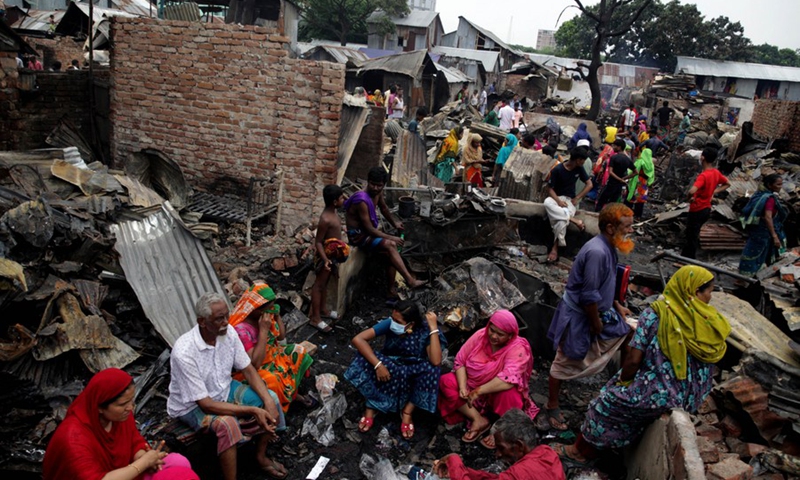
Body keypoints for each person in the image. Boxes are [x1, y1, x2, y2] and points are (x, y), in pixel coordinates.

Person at [554, 266, 730, 464]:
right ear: (695, 292)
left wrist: (623, 382)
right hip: (690, 397)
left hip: (661, 392)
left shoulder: (656, 314)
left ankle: (580, 452)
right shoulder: (711, 321)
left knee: (603, 404)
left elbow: (633, 361)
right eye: (709, 291)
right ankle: (611, 445)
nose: (710, 297)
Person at [168, 293, 287, 480]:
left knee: (270, 398)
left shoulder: (228, 332)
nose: (225, 322)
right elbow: (206, 404)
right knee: (227, 424)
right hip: (191, 406)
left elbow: (247, 368)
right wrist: (252, 410)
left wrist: (266, 401)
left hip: (224, 389)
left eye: (226, 315)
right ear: (202, 321)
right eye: (219, 319)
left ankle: (260, 457)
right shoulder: (184, 352)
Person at [544, 203, 635, 431]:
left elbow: (606, 284)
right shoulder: (597, 251)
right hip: (582, 315)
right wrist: (596, 323)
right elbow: (588, 294)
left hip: (597, 311)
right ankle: (552, 404)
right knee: (563, 360)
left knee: (630, 333)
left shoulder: (609, 248)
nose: (631, 231)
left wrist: (616, 305)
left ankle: (620, 389)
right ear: (611, 228)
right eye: (627, 227)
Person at [43, 368, 197, 480]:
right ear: (100, 407)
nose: (130, 408)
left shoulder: (120, 417)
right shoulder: (74, 438)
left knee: (178, 461)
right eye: (123, 404)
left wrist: (148, 457)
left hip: (125, 471)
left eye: (131, 401)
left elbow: (134, 442)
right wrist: (143, 463)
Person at [439, 310, 539, 448]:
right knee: (446, 381)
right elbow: (460, 362)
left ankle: (500, 428)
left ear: (510, 335)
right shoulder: (480, 336)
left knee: (510, 395)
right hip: (472, 386)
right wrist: (462, 386)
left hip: (494, 391)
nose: (493, 336)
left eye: (500, 334)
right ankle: (478, 419)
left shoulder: (518, 348)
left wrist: (478, 391)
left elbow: (508, 380)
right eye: (492, 330)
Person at [345, 300, 445, 438]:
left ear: (411, 324)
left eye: (397, 320)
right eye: (392, 318)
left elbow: (436, 360)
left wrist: (433, 328)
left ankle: (407, 412)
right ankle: (372, 405)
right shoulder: (390, 324)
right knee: (364, 356)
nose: (393, 322)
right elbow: (358, 339)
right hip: (390, 365)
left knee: (432, 370)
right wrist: (378, 365)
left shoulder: (425, 330)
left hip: (413, 368)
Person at [229, 282, 314, 412]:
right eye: (269, 308)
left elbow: (281, 336)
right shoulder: (241, 330)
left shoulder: (266, 316)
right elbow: (254, 363)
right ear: (255, 309)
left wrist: (277, 316)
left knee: (299, 351)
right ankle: (281, 405)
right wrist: (263, 330)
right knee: (273, 379)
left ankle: (293, 394)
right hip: (253, 367)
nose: (272, 310)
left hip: (271, 355)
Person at [344, 167, 425, 291]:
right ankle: (410, 281)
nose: (375, 188)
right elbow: (370, 230)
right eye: (373, 184)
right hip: (359, 236)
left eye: (379, 185)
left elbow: (384, 208)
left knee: (390, 255)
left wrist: (395, 223)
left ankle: (391, 291)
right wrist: (392, 237)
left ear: (383, 185)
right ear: (368, 181)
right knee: (391, 245)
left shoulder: (377, 193)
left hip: (368, 233)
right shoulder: (361, 200)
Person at [433, 409, 565, 480]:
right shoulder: (546, 452)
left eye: (501, 448)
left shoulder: (520, 473)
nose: (497, 454)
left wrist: (454, 461)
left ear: (518, 445)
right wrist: (465, 472)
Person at [310, 184, 348, 332]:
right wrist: (325, 259)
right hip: (325, 257)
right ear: (334, 201)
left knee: (324, 284)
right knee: (319, 285)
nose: (343, 200)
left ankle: (324, 310)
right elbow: (318, 242)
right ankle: (315, 318)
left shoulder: (334, 214)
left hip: (332, 256)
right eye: (341, 198)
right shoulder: (325, 219)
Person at [544, 147, 593, 262]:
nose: (584, 163)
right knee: (547, 202)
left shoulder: (579, 169)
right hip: (556, 199)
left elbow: (589, 184)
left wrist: (577, 198)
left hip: (569, 201)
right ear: (578, 160)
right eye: (583, 160)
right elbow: (549, 189)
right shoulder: (558, 170)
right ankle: (572, 219)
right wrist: (558, 201)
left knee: (561, 222)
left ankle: (554, 249)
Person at [682, 147, 729, 259]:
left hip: (697, 209)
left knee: (691, 235)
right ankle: (685, 256)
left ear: (702, 158)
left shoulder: (703, 175)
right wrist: (713, 191)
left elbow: (692, 190)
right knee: (693, 233)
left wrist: (689, 198)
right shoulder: (716, 173)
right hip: (706, 208)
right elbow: (727, 183)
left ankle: (688, 259)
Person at [739, 174, 788, 276]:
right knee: (755, 253)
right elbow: (768, 217)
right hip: (763, 232)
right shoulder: (769, 198)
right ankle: (745, 278)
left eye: (781, 184)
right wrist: (774, 236)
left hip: (758, 230)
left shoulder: (759, 195)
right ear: (770, 185)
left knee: (756, 252)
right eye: (778, 184)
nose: (780, 187)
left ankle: (751, 276)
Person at [595, 139, 636, 212]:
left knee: (601, 200)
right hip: (619, 186)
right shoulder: (627, 159)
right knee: (612, 203)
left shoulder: (614, 158)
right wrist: (623, 178)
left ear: (619, 147)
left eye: (615, 146)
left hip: (611, 183)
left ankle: (597, 215)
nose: (613, 147)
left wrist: (619, 179)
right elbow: (635, 172)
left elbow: (610, 172)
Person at [626, 147, 655, 219]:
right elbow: (652, 176)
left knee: (631, 195)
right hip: (644, 183)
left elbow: (632, 170)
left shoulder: (640, 162)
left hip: (636, 181)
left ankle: (627, 213)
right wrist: (649, 183)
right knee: (640, 199)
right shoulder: (651, 165)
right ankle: (638, 215)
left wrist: (627, 177)